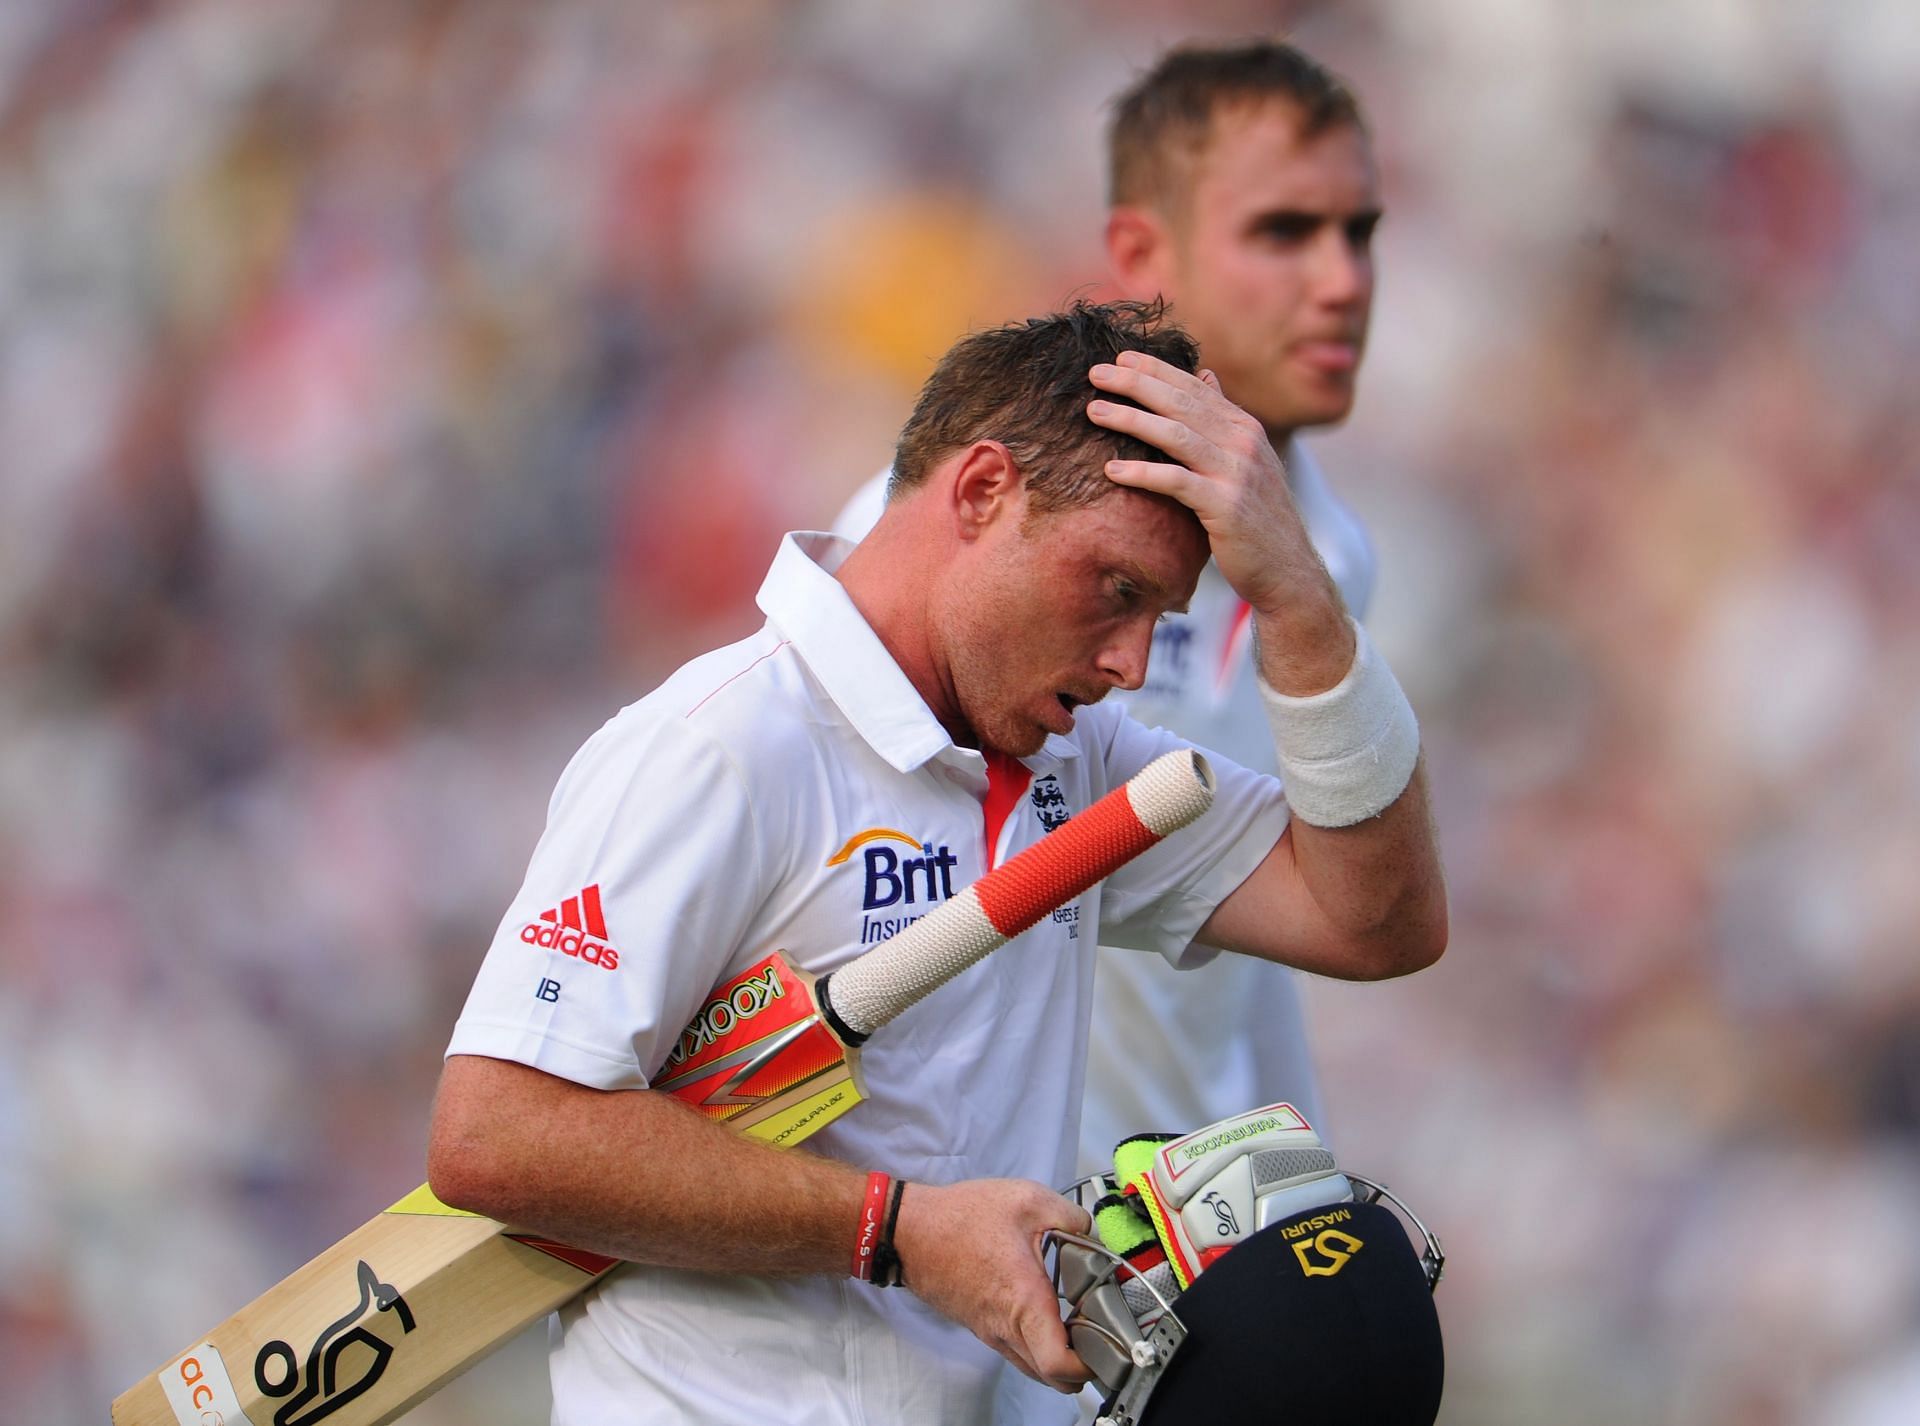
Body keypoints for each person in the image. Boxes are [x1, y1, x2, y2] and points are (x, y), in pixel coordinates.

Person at [427, 300, 1446, 1426]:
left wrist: (1302, 601)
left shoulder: (1080, 760)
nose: (1128, 662)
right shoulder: (721, 746)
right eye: (1115, 590)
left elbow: (1376, 920)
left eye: (1161, 617)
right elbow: (494, 1134)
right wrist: (899, 1229)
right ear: (981, 491)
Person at [833, 40, 1387, 1168]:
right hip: (972, 1259)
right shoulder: (976, 538)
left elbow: (1259, 917)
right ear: (1143, 252)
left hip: (1166, 1252)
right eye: (1284, 232)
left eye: (1360, 231)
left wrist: (1303, 1166)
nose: (1343, 279)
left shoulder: (1328, 558)